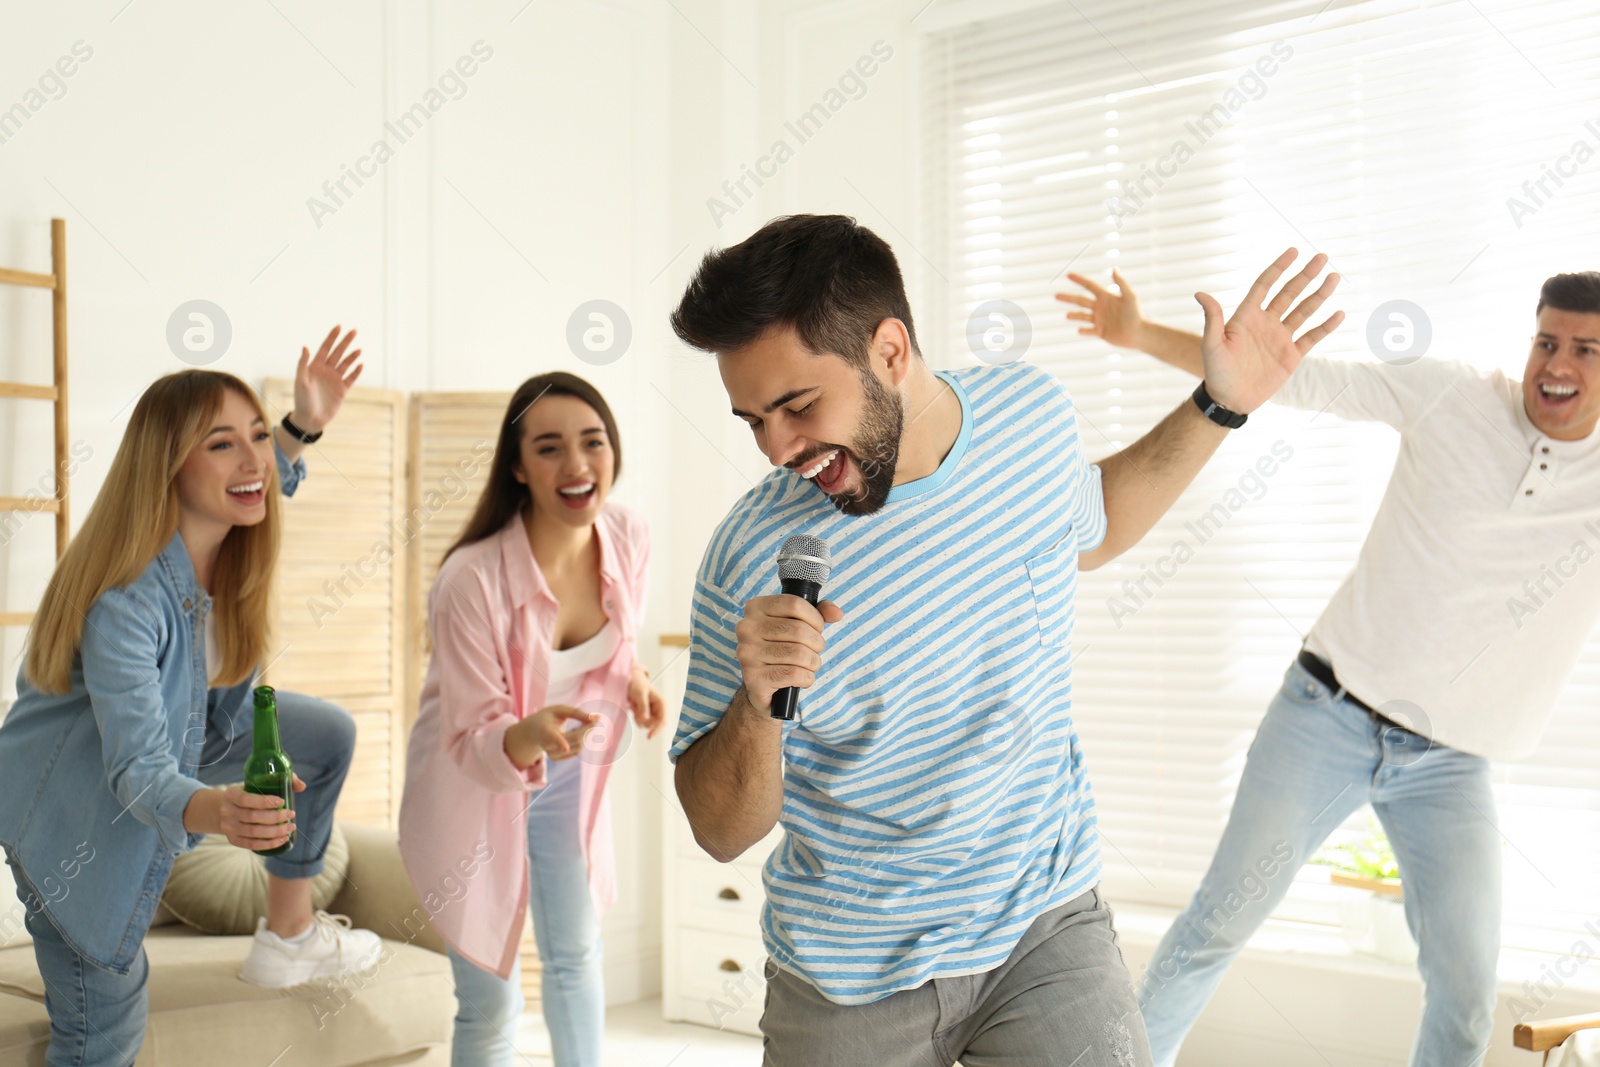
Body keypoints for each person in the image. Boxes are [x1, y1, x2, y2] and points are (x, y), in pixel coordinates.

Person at [666, 214, 1344, 1067]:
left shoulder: (1028, 417)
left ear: (889, 351)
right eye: (753, 420)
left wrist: (1221, 404)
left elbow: (1095, 521)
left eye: (798, 406)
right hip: (850, 974)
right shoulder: (748, 556)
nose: (778, 448)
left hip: (1043, 924)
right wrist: (757, 707)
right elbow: (720, 829)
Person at [1059, 265, 1600, 1066]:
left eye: (1587, 350)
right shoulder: (1452, 395)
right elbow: (1282, 376)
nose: (1557, 365)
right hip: (1326, 715)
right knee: (1218, 922)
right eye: (1547, 340)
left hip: (1451, 767)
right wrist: (1138, 333)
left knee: (1466, 986)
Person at [0, 331, 377, 1067]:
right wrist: (221, 809)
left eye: (257, 437)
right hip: (74, 805)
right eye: (221, 444)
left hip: (184, 735)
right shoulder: (128, 602)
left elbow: (272, 478)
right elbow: (137, 769)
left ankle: (289, 937)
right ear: (167, 467)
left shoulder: (221, 539)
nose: (255, 459)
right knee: (103, 1028)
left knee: (325, 734)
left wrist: (300, 425)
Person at [398, 372, 666, 1067]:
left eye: (593, 442)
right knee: (492, 999)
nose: (577, 465)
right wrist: (532, 732)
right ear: (517, 467)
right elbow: (471, 734)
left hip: (569, 781)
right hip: (472, 788)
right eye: (549, 448)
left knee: (576, 953)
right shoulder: (471, 579)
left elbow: (615, 639)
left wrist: (632, 677)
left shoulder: (629, 534)